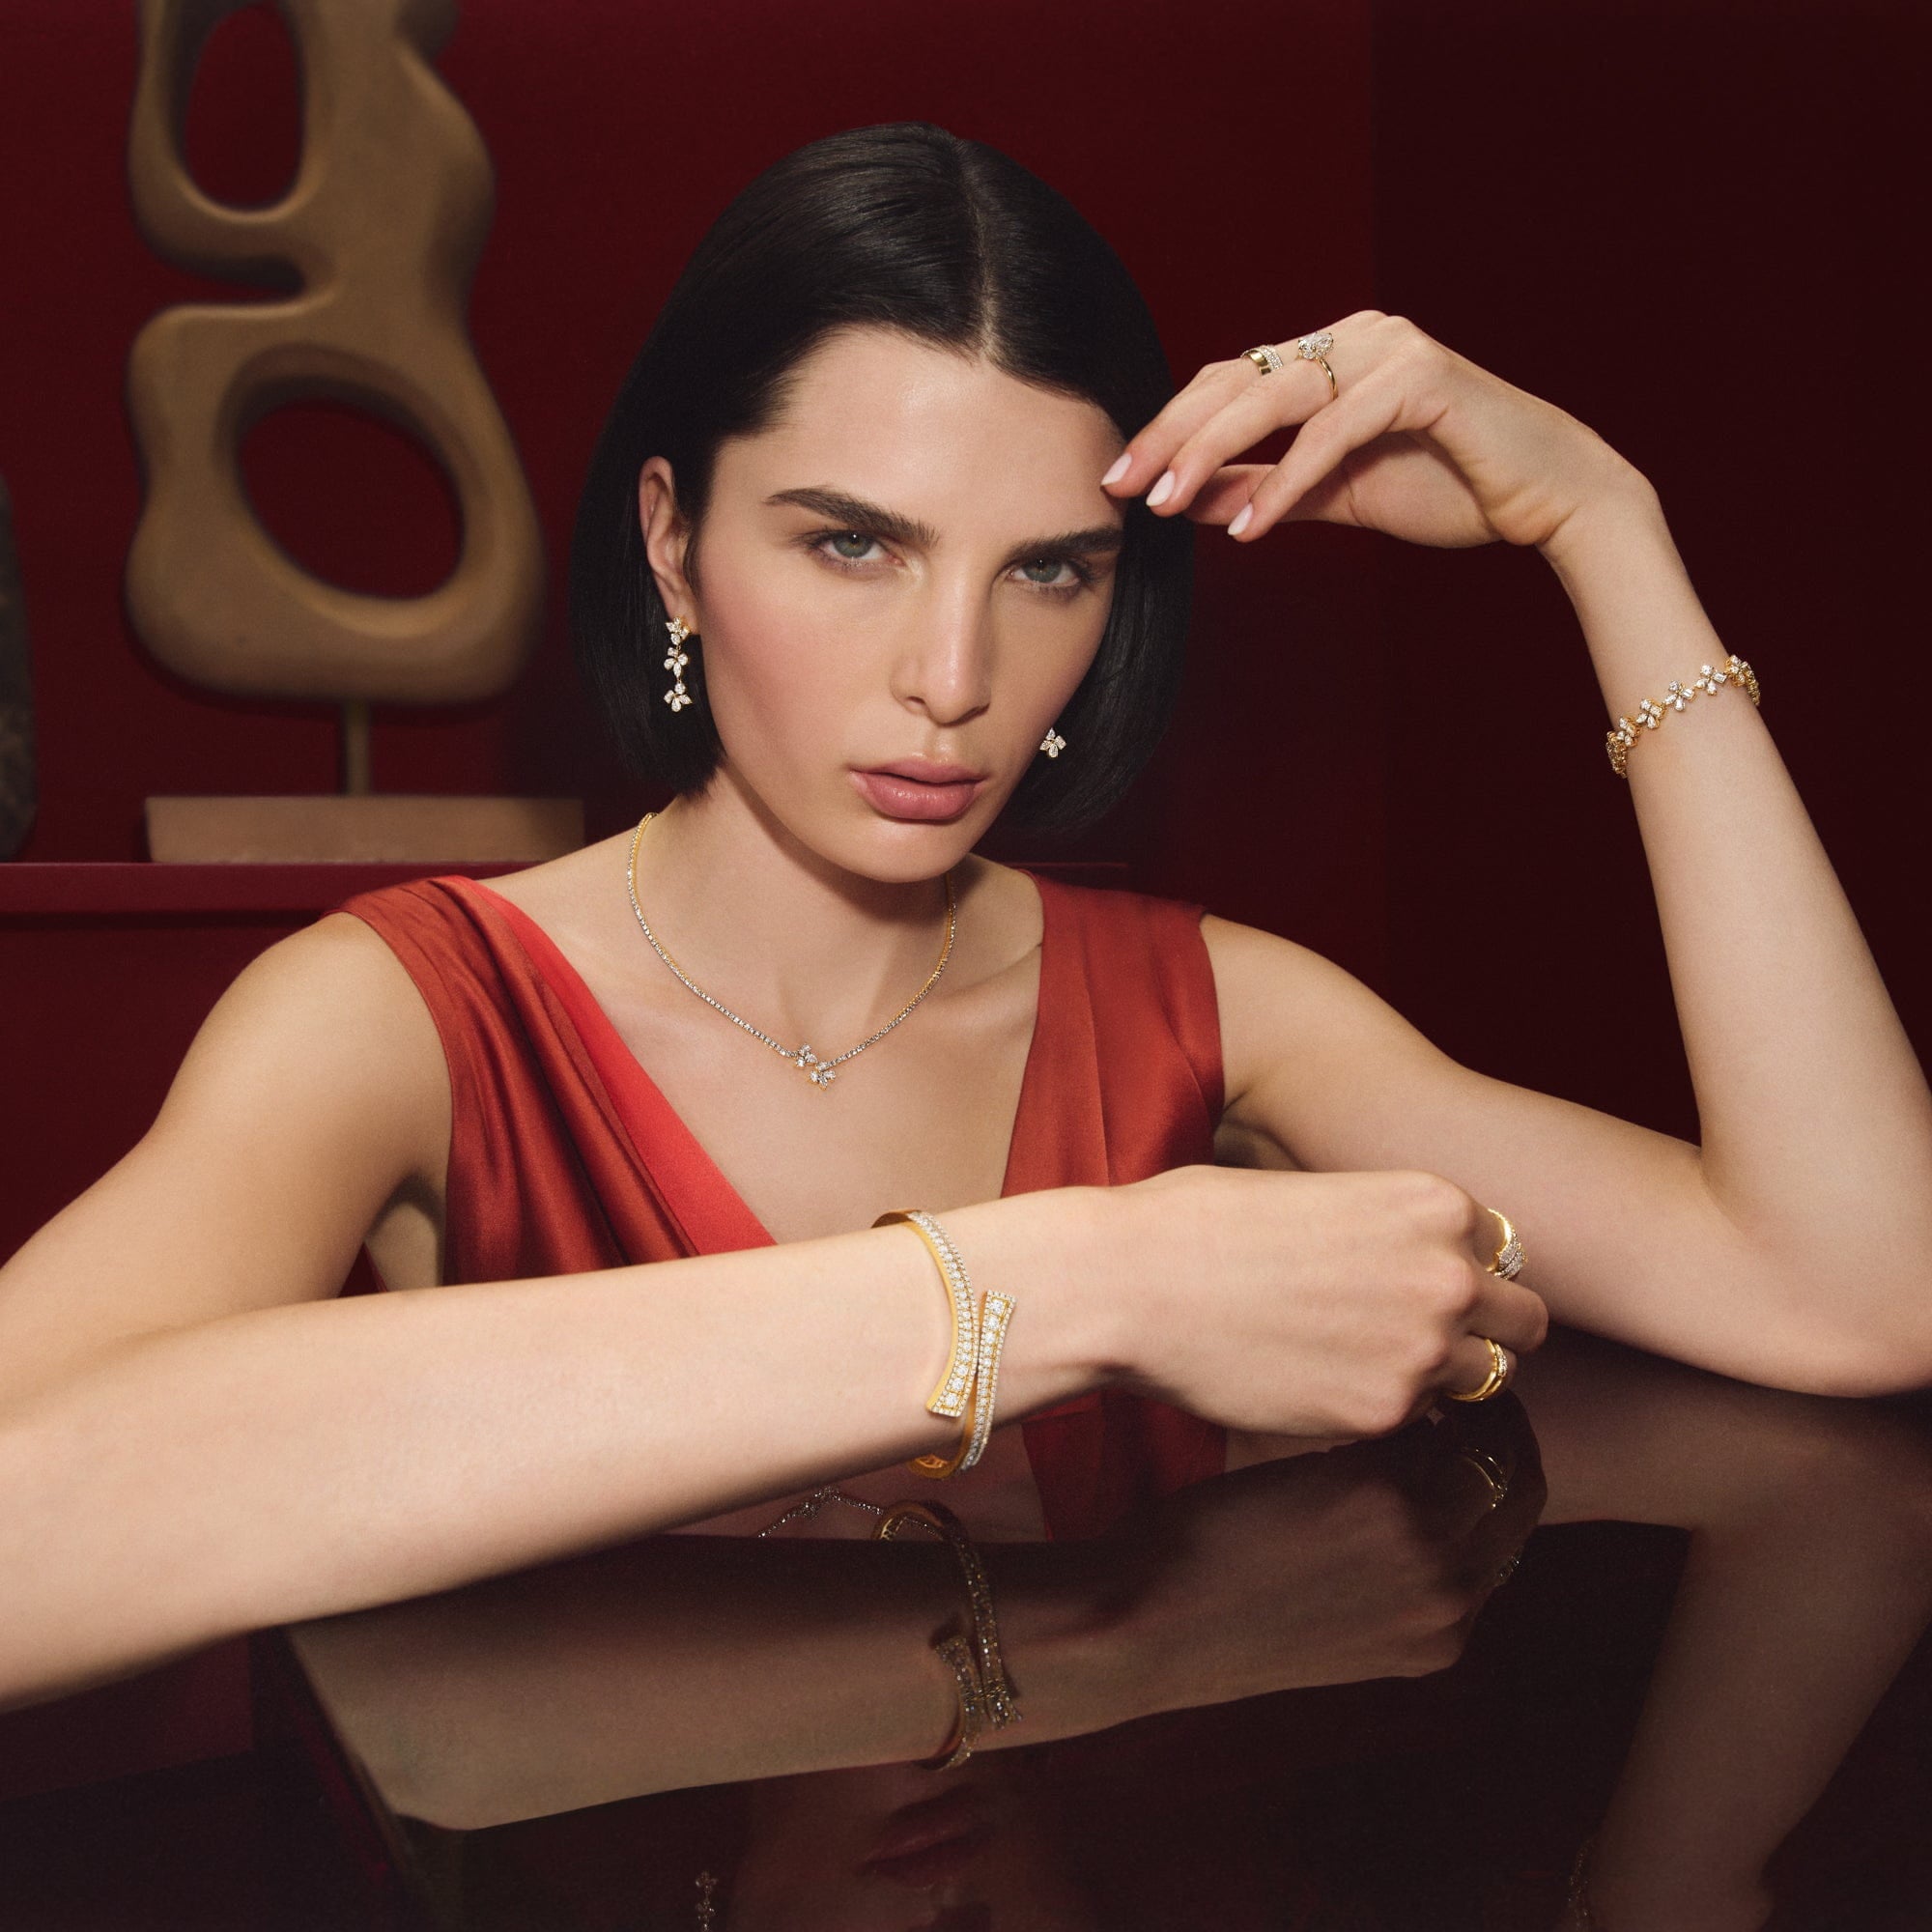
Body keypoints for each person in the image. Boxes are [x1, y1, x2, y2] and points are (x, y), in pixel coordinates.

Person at [2, 123, 1927, 1715]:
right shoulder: (399, 1016)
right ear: (670, 538)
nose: (954, 677)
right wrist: (1078, 1287)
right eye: (853, 542)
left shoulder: (1209, 1005)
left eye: (1051, 571)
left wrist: (1605, 529)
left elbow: (1856, 1290)